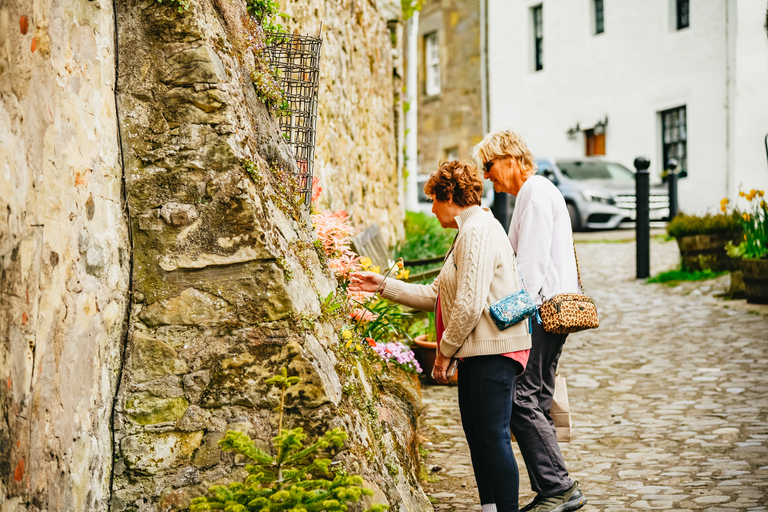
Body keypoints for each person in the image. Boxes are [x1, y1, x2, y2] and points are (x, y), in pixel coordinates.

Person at [350, 160, 531, 512]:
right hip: (481, 349)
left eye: (433, 199)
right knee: (481, 439)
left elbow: (468, 304)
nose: (431, 209)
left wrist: (444, 353)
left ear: (449, 195)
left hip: (492, 349)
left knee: (493, 438)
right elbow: (437, 295)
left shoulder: (477, 232)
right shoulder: (469, 231)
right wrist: (381, 285)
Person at [474, 130, 588, 512]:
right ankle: (553, 488)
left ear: (509, 158)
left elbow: (531, 266)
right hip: (547, 309)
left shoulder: (535, 193)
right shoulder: (535, 193)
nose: (488, 176)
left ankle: (558, 487)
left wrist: (508, 317)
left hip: (539, 311)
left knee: (521, 397)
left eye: (488, 166)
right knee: (536, 398)